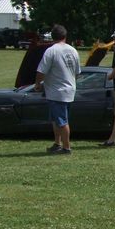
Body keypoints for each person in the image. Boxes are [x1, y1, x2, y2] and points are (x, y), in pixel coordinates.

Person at [35, 24, 81, 155]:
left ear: (52, 36)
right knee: (56, 119)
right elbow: (77, 72)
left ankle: (66, 148)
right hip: (69, 90)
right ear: (65, 36)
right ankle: (57, 143)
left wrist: (37, 84)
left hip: (57, 92)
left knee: (61, 121)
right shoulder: (73, 50)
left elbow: (41, 71)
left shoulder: (51, 51)